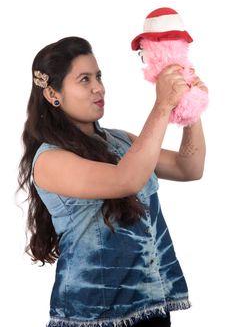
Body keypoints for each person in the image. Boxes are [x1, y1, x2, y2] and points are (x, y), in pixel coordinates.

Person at [18, 36, 207, 327]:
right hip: (94, 316)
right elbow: (126, 180)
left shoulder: (122, 141)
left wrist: (188, 107)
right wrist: (162, 104)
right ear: (54, 95)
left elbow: (188, 167)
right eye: (84, 79)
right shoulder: (49, 160)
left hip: (150, 308)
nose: (98, 88)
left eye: (98, 76)